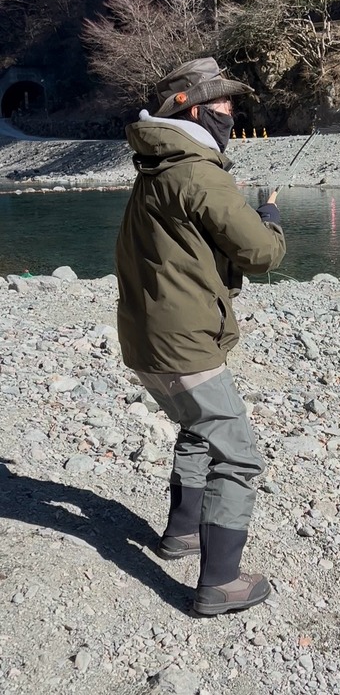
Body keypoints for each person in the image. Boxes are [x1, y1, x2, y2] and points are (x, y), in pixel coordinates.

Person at [115, 57, 286, 615]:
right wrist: (270, 219)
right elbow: (260, 253)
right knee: (238, 457)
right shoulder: (198, 171)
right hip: (183, 344)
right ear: (192, 109)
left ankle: (183, 534)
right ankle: (219, 584)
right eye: (223, 102)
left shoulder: (155, 169)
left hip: (147, 342)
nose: (231, 111)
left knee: (197, 429)